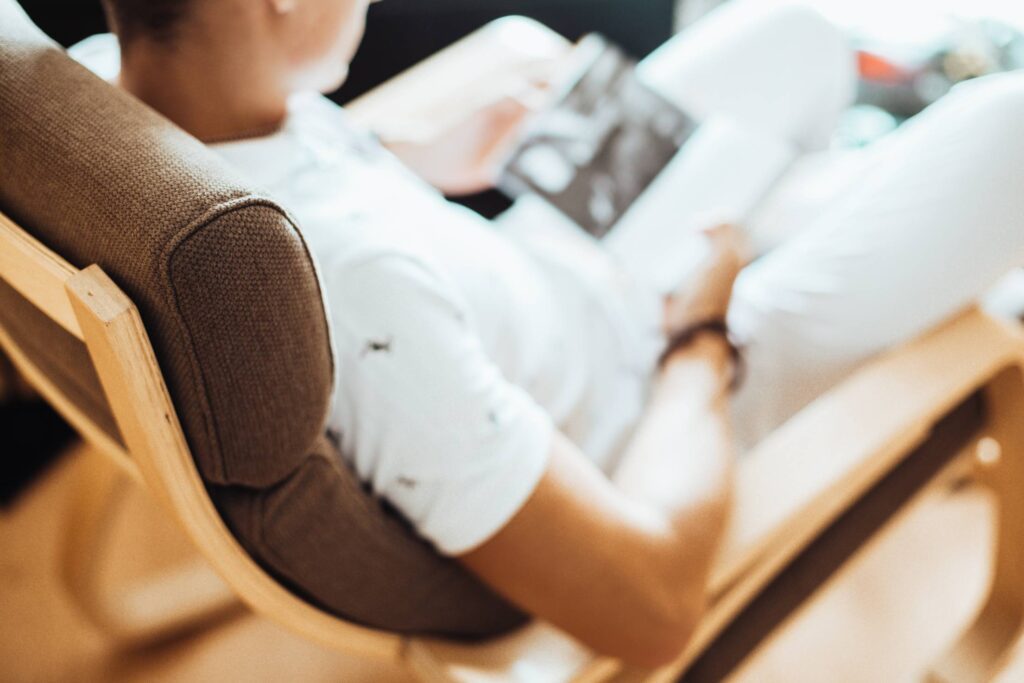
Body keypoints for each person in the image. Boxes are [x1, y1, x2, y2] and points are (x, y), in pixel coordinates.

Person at [79, 0, 1024, 666]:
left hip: (534, 283)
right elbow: (646, 606)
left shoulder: (104, 87)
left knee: (798, 33)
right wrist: (702, 332)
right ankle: (795, 233)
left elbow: (306, 192)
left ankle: (806, 212)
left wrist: (400, 161)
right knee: (1009, 129)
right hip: (649, 406)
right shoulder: (360, 289)